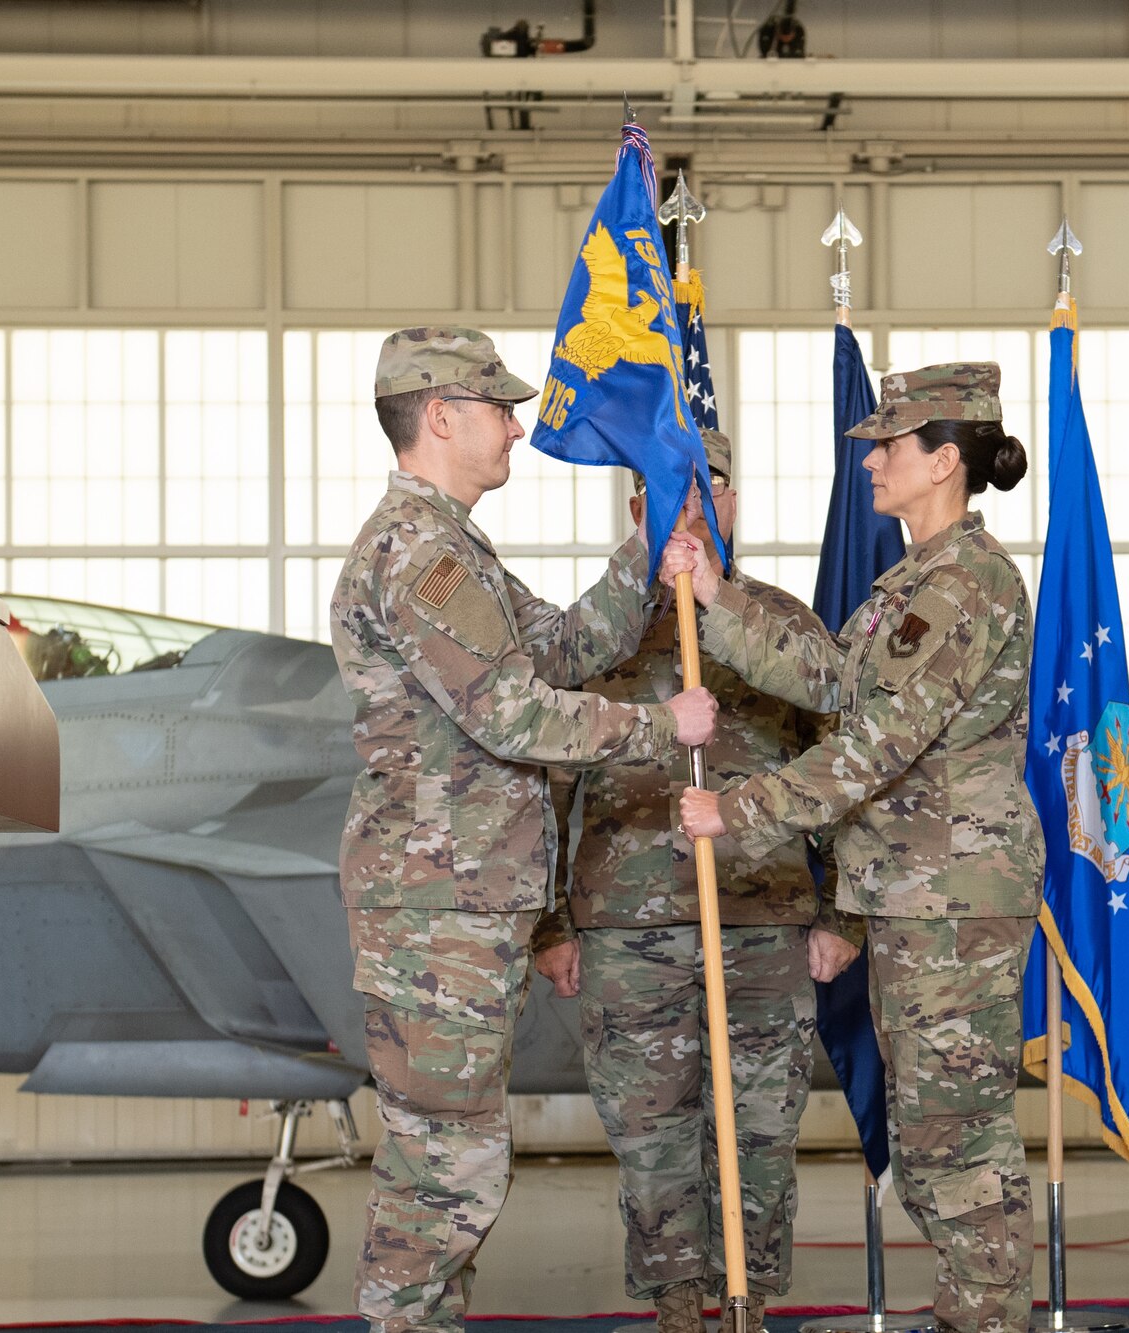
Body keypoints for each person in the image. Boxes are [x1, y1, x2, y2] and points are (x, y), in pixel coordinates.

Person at [330, 327, 718, 1333]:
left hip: (461, 906)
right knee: (443, 1171)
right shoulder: (417, 552)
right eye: (496, 408)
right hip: (436, 912)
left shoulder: (454, 548)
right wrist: (656, 726)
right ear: (439, 417)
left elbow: (559, 648)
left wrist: (646, 551)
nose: (515, 425)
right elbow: (509, 712)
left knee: (448, 1163)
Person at [662, 364, 1045, 1333]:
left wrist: (736, 809)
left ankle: (987, 1321)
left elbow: (874, 745)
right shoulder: (912, 580)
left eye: (888, 446)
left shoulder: (965, 583)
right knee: (928, 1142)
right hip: (915, 890)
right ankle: (973, 1314)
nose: (870, 461)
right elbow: (831, 677)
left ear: (944, 459)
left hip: (952, 896)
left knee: (953, 1139)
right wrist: (715, 594)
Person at [531, 427, 863, 1333]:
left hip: (764, 920)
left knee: (759, 1132)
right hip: (626, 932)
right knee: (651, 1138)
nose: (690, 506)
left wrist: (843, 913)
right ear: (635, 502)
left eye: (708, 489)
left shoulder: (781, 625)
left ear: (732, 501)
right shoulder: (595, 630)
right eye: (670, 489)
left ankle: (748, 1298)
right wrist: (550, 927)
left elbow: (845, 768)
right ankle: (679, 1307)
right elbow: (546, 783)